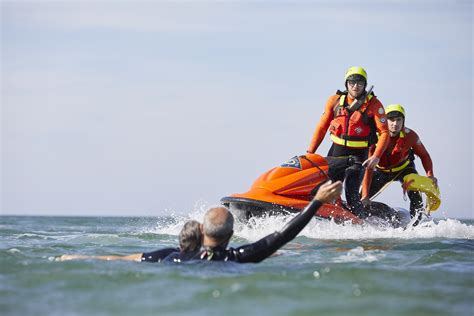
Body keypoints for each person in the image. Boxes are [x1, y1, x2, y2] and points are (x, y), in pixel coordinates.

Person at [165, 180, 343, 263]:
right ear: (231, 234)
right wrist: (317, 201)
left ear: (203, 230)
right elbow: (282, 236)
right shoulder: (239, 256)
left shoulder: (174, 257)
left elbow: (137, 258)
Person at [306, 66, 389, 217]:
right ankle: (326, 216)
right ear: (346, 84)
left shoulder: (374, 105)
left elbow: (384, 132)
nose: (355, 86)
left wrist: (376, 156)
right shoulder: (335, 101)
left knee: (351, 195)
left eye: (359, 82)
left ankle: (363, 225)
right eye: (352, 82)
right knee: (326, 188)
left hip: (359, 156)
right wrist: (310, 152)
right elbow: (322, 127)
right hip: (336, 152)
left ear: (364, 85)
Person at [361, 104, 437, 218]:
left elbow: (424, 155)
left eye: (398, 120)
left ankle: (415, 227)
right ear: (384, 120)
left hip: (404, 170)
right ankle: (384, 216)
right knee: (361, 201)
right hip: (381, 171)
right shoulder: (374, 136)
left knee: (416, 197)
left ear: (403, 121)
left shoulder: (410, 136)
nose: (395, 124)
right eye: (391, 120)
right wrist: (365, 195)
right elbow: (369, 168)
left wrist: (430, 175)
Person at [58, 220, 202, 262]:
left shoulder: (168, 254)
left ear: (180, 239)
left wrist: (80, 258)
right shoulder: (210, 256)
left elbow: (120, 258)